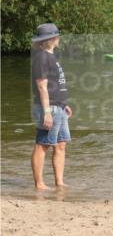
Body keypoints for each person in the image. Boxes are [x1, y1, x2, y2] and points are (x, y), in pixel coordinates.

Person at [30, 23, 73, 190]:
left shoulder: (51, 56)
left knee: (61, 144)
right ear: (48, 40)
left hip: (59, 107)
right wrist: (47, 112)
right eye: (55, 36)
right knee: (43, 144)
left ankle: (59, 182)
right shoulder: (41, 57)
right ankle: (39, 184)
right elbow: (42, 86)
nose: (58, 38)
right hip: (49, 109)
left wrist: (64, 104)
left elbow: (55, 84)